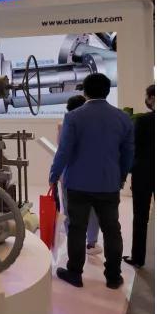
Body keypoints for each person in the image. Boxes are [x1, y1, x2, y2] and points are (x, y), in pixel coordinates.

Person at [49, 73, 134, 289]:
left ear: (85, 92)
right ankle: (113, 277)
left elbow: (64, 151)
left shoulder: (74, 117)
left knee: (77, 228)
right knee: (112, 230)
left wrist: (54, 175)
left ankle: (75, 273)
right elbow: (128, 154)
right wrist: (121, 177)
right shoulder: (123, 118)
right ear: (107, 91)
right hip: (108, 184)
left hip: (78, 183)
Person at [58, 95, 103, 255]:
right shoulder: (96, 124)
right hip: (93, 173)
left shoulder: (64, 124)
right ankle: (91, 243)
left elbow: (62, 151)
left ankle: (73, 242)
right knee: (93, 210)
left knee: (70, 210)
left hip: (70, 174)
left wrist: (55, 173)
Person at [123, 84, 155, 269]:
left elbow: (133, 147)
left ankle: (138, 257)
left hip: (143, 173)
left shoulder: (143, 121)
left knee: (141, 216)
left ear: (152, 98)